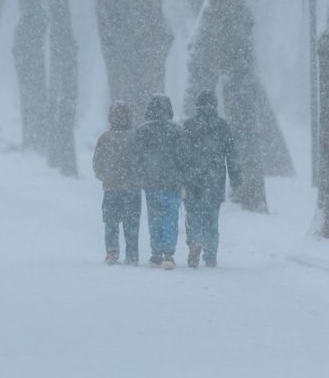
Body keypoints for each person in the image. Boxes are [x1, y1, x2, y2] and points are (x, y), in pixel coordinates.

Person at [182, 89, 242, 268]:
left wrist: (180, 174)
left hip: (193, 178)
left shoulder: (189, 125)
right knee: (212, 218)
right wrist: (235, 176)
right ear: (215, 105)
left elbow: (181, 153)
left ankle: (195, 242)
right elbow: (231, 154)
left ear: (197, 105)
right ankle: (211, 254)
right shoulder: (222, 126)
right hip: (215, 179)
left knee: (192, 215)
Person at [131, 93, 186, 269]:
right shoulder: (177, 130)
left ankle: (156, 253)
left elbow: (136, 158)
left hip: (151, 182)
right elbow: (184, 158)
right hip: (173, 183)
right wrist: (183, 177)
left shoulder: (142, 130)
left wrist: (141, 176)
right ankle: (169, 254)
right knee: (170, 218)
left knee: (154, 218)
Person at [92, 101, 140, 265]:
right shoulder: (136, 136)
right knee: (131, 222)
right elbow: (142, 160)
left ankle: (112, 251)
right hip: (132, 186)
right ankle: (132, 253)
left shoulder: (105, 138)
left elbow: (97, 163)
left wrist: (104, 176)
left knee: (111, 221)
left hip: (111, 186)